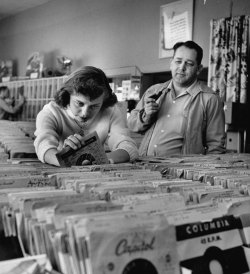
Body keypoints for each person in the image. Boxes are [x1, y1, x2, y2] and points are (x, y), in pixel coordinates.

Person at [128, 40, 226, 157]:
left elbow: (216, 146)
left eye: (189, 63)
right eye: (178, 61)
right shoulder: (153, 91)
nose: (181, 67)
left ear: (199, 69)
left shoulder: (210, 99)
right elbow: (132, 124)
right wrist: (146, 116)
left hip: (184, 171)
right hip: (146, 165)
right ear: (171, 63)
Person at [34, 66, 139, 166]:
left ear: (104, 101)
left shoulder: (111, 111)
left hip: (96, 169)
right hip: (61, 168)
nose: (85, 113)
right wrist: (68, 159)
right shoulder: (50, 112)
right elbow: (43, 147)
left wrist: (99, 159)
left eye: (94, 106)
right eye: (79, 103)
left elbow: (128, 146)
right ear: (67, 96)